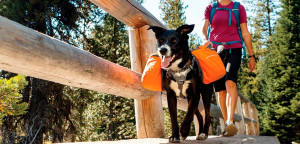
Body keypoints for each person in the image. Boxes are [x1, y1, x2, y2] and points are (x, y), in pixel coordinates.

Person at [201, 0, 256, 137]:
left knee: (230, 82)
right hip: (215, 52)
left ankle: (231, 121)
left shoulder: (239, 8)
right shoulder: (210, 8)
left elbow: (245, 33)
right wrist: (204, 39)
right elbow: (203, 30)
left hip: (234, 49)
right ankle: (227, 124)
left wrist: (251, 56)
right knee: (220, 91)